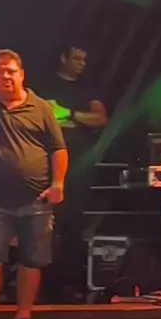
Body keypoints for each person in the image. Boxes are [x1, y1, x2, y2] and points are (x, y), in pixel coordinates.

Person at [0, 49, 68, 319]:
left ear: (22, 75)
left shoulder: (41, 108)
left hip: (36, 200)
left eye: (11, 71)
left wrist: (58, 184)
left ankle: (23, 317)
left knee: (31, 261)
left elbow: (58, 149)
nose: (6, 76)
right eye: (0, 71)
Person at [40, 46, 108, 297]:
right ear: (63, 58)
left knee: (75, 224)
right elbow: (45, 121)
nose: (82, 64)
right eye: (77, 58)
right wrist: (79, 120)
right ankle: (43, 283)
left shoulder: (88, 89)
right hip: (47, 166)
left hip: (80, 166)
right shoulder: (45, 86)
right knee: (46, 224)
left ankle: (68, 282)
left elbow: (100, 119)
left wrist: (67, 114)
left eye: (84, 59)